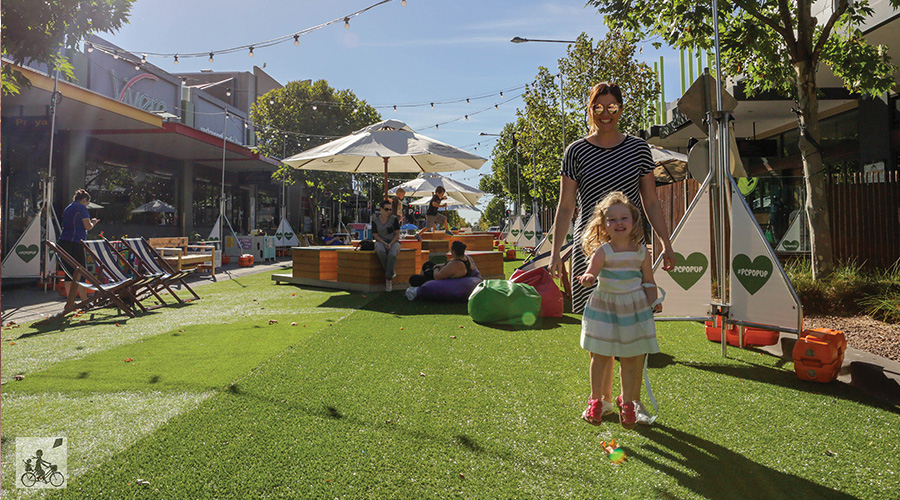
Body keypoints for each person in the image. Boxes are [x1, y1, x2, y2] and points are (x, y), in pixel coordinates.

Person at [549, 82, 676, 316]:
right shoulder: (575, 151)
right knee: (596, 322)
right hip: (589, 244)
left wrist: (665, 243)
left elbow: (650, 201)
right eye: (598, 108)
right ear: (590, 109)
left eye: (612, 107)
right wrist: (556, 252)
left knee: (634, 314)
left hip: (630, 243)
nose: (605, 114)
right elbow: (565, 206)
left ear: (621, 109)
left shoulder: (639, 149)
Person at [577, 192, 662, 429]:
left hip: (633, 310)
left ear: (634, 221)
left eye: (624, 217)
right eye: (612, 219)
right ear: (603, 225)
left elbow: (648, 281)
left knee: (630, 358)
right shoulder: (603, 251)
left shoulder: (641, 251)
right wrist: (588, 277)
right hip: (605, 309)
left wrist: (653, 301)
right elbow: (592, 272)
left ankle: (628, 403)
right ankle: (596, 400)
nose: (619, 223)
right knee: (601, 355)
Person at [58, 189, 99, 300]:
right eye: (87, 202)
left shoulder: (68, 208)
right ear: (84, 200)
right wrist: (93, 222)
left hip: (64, 241)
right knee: (80, 271)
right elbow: (88, 226)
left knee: (68, 272)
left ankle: (69, 299)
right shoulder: (81, 208)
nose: (87, 205)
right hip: (76, 241)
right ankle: (84, 299)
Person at [408, 240, 474, 287]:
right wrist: (439, 265)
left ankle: (423, 283)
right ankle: (423, 276)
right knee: (428, 263)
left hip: (437, 278)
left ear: (453, 252)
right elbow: (472, 268)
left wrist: (436, 268)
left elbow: (437, 277)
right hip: (445, 272)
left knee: (413, 279)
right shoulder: (467, 258)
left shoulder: (456, 264)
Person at [371, 199, 401, 291]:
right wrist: (384, 243)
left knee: (392, 255)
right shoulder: (375, 221)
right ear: (381, 209)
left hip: (394, 241)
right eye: (386, 209)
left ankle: (388, 277)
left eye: (390, 210)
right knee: (380, 250)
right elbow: (375, 235)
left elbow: (397, 234)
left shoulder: (394, 219)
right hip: (380, 241)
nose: (388, 211)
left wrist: (391, 243)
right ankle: (390, 273)